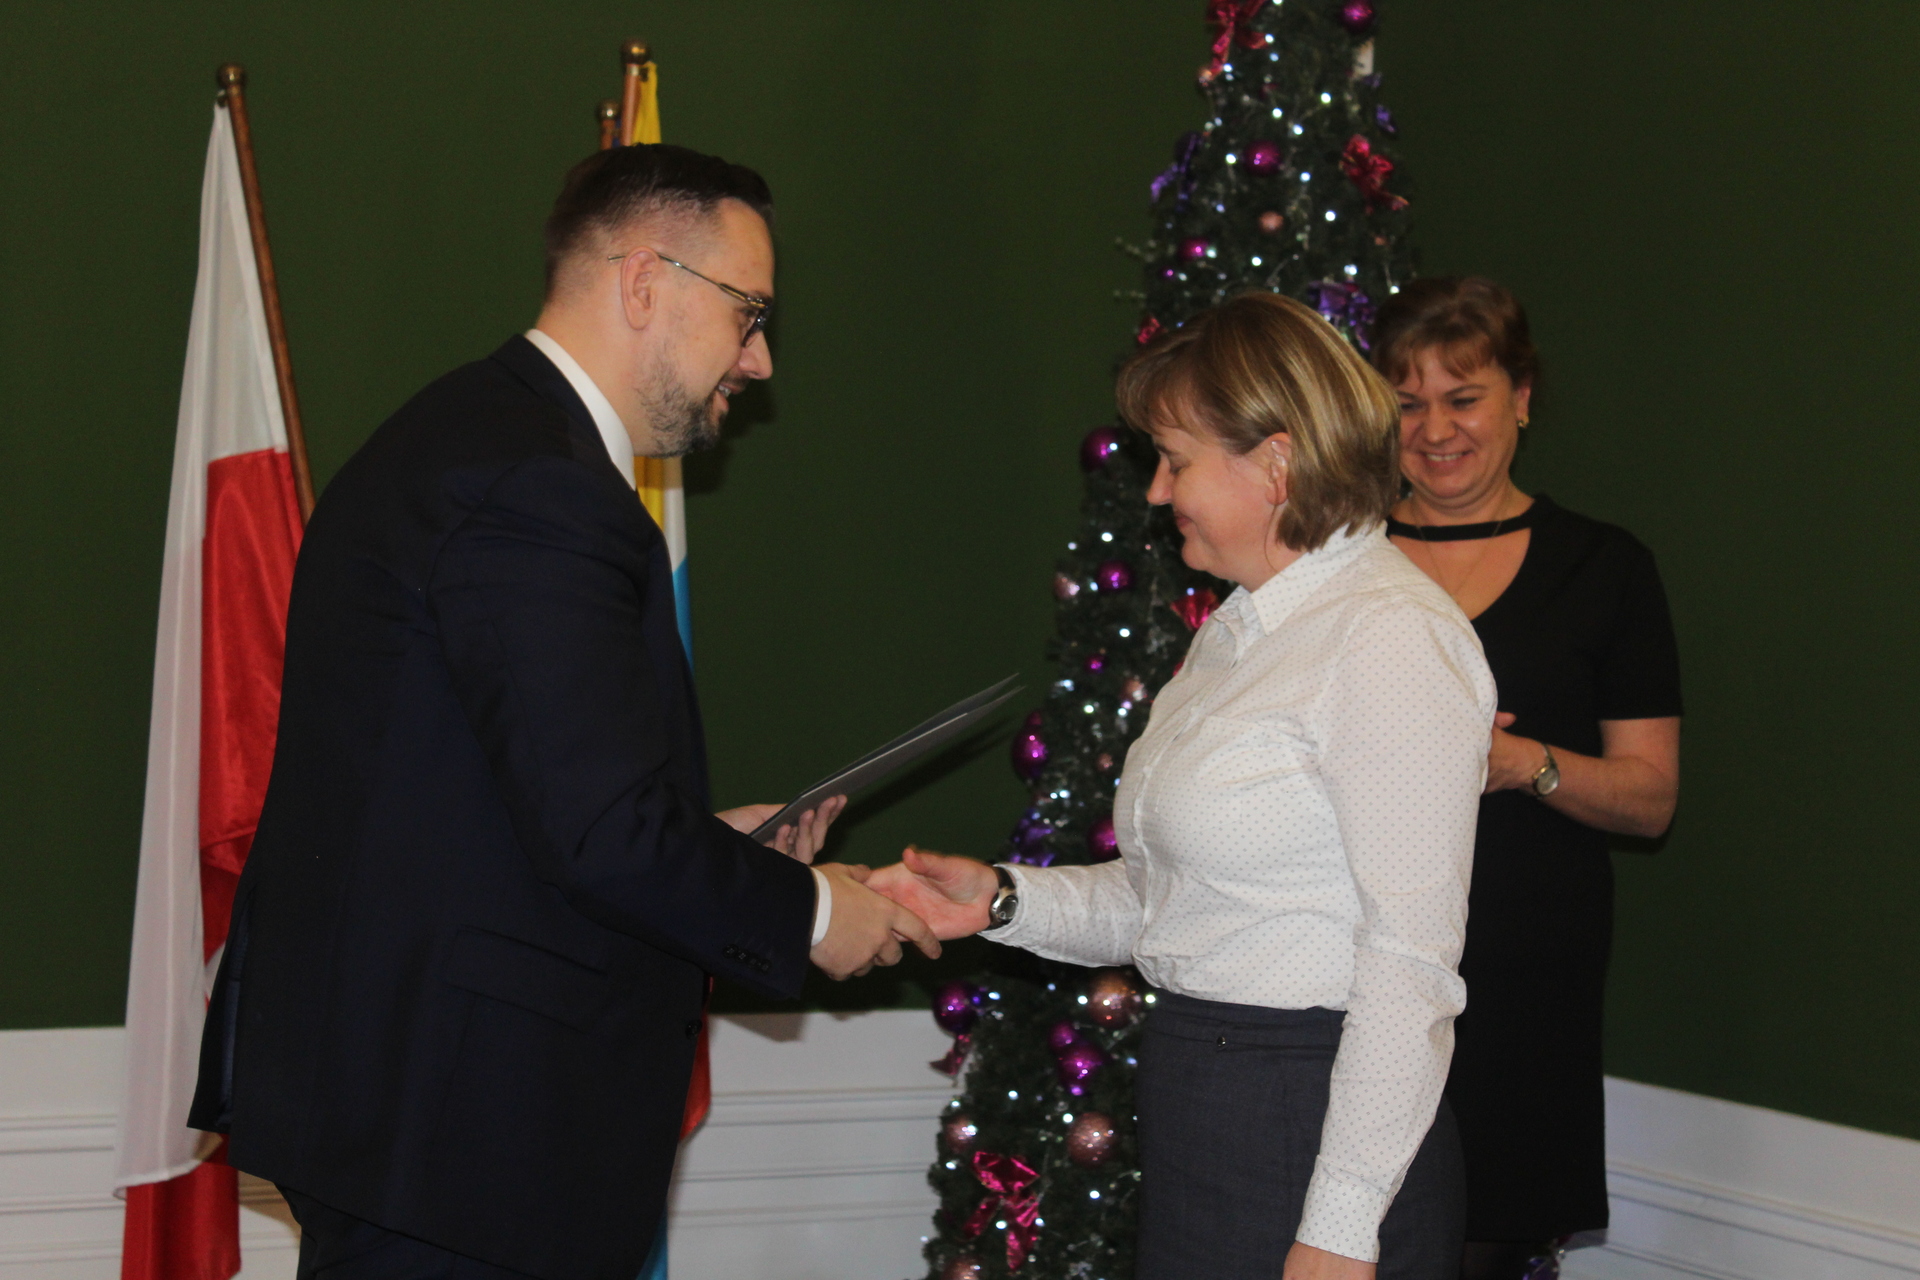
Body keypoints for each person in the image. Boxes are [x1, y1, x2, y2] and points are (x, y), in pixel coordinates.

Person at [187, 143, 939, 1280]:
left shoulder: (480, 436)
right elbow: (600, 832)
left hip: (429, 1124)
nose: (760, 359)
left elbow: (503, 797)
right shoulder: (537, 484)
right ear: (643, 283)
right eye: (747, 313)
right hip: (458, 1144)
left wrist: (706, 845)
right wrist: (813, 911)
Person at [873, 293, 1496, 1280]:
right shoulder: (1238, 632)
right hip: (1209, 1107)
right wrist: (999, 901)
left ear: (1277, 463)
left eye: (1175, 459)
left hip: (1311, 1119)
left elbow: (1410, 961)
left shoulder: (1387, 636)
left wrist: (1340, 1228)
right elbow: (1170, 902)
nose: (1159, 492)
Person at [1370, 277, 1683, 1280]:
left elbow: (1651, 797)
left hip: (1525, 973)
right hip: (1354, 959)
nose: (1435, 431)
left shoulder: (1606, 568)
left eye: (1463, 398)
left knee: (1486, 1241)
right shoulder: (1341, 561)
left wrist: (1523, 763)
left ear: (1523, 398)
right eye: (1408, 403)